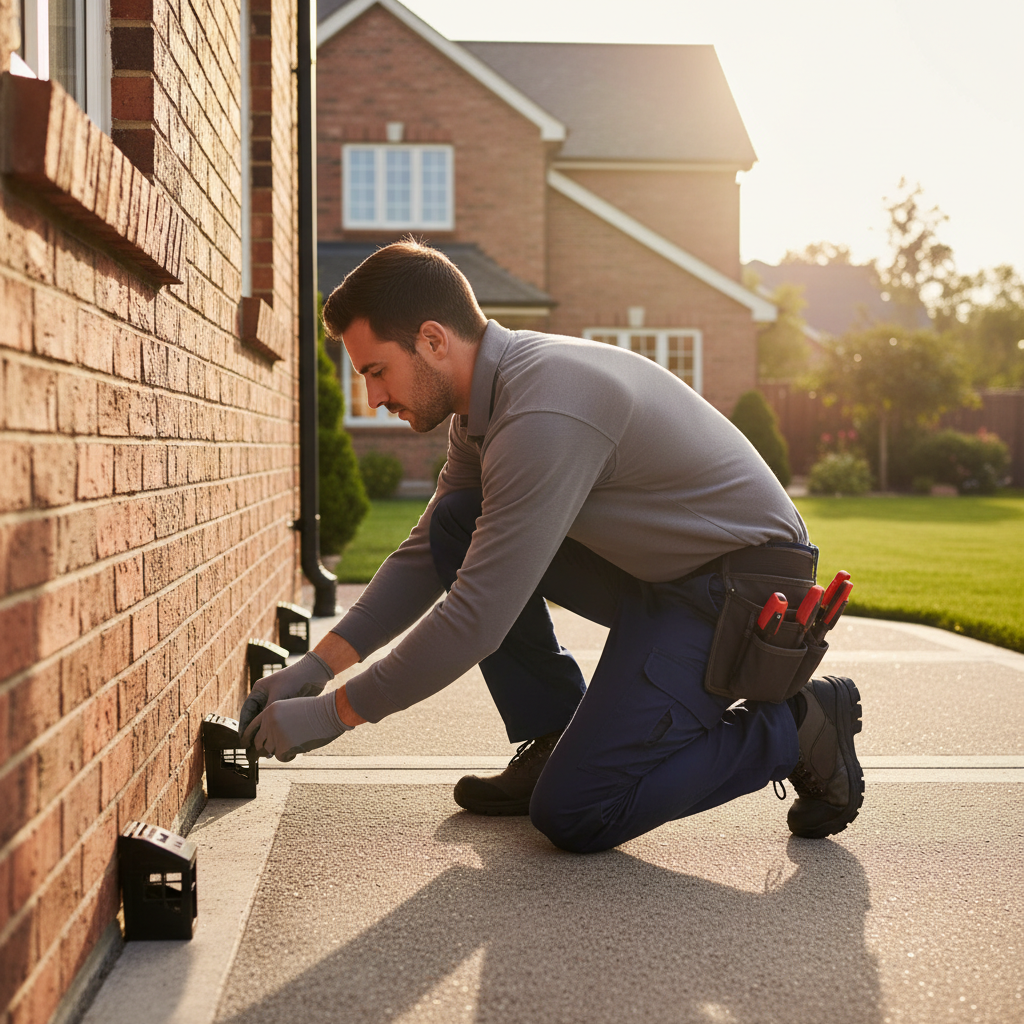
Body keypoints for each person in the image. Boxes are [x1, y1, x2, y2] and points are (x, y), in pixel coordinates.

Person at [238, 240, 864, 853]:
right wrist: (315, 668)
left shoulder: (543, 411)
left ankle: (798, 726)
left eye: (376, 371)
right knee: (457, 521)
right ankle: (553, 736)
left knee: (578, 812)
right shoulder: (483, 407)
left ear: (433, 340)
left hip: (738, 591)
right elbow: (428, 549)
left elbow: (477, 618)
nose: (373, 397)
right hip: (664, 574)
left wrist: (333, 714)